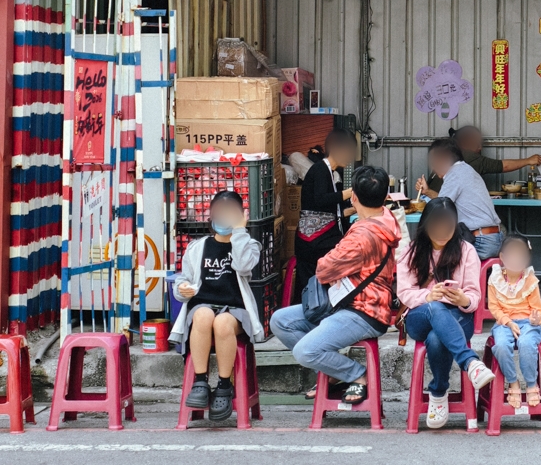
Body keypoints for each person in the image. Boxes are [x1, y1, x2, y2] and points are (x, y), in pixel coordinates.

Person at [270, 165, 400, 405]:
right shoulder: (387, 219)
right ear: (385, 198)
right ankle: (332, 369)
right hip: (347, 304)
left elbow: (323, 269)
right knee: (281, 321)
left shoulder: (363, 235)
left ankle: (358, 375)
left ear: (355, 197)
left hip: (362, 310)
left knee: (304, 351)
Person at [398, 197, 497, 428]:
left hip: (458, 317)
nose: (442, 231)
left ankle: (438, 393)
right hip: (420, 316)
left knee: (436, 337)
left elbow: (474, 296)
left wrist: (463, 299)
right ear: (425, 225)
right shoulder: (411, 252)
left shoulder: (466, 251)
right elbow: (404, 292)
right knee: (434, 307)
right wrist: (427, 296)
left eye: (448, 226)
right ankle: (470, 363)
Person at [170, 191, 265, 421]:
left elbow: (243, 267)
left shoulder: (249, 245)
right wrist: (181, 289)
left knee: (222, 323)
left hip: (235, 311)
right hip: (203, 306)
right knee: (202, 315)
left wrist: (240, 232)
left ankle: (224, 385)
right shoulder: (197, 247)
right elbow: (184, 279)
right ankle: (200, 382)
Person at [414, 138, 504, 259]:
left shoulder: (455, 173)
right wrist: (427, 191)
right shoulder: (464, 170)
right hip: (491, 238)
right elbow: (445, 201)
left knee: (435, 255)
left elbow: (441, 208)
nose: (434, 168)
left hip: (480, 241)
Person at [294, 128, 358, 296]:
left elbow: (329, 211)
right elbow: (320, 200)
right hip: (312, 240)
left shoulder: (330, 172)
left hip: (319, 237)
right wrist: (349, 192)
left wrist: (354, 209)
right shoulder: (320, 169)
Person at [487, 235, 541, 410]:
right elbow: (494, 308)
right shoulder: (495, 279)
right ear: (503, 258)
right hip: (504, 323)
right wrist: (508, 322)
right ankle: (513, 382)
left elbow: (538, 310)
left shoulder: (530, 281)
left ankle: (531, 383)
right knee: (502, 345)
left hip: (527, 323)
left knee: (527, 343)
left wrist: (536, 319)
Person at [424, 125, 541, 192]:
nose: (480, 148)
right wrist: (528, 160)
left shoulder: (450, 155)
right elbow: (502, 166)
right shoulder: (468, 158)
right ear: (465, 142)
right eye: (477, 143)